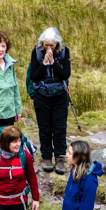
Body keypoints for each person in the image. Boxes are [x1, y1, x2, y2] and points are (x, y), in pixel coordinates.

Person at [28, 27, 71, 175]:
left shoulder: (64, 51)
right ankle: (46, 157)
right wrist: (44, 63)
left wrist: (53, 63)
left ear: (57, 44)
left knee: (59, 127)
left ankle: (60, 158)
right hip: (42, 94)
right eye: (46, 45)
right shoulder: (37, 52)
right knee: (44, 127)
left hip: (60, 95)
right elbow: (34, 76)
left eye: (51, 45)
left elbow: (65, 74)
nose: (48, 48)